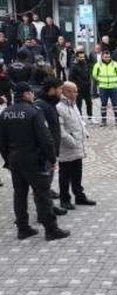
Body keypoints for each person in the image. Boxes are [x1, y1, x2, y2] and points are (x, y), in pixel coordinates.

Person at [0, 82, 70, 241]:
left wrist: (8, 159)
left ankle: (23, 228)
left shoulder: (5, 113)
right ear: (26, 94)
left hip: (15, 159)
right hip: (33, 159)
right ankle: (51, 229)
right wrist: (52, 159)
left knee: (19, 194)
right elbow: (45, 139)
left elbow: (1, 141)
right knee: (42, 194)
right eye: (31, 93)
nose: (33, 95)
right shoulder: (34, 112)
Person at [56, 81, 95, 211]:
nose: (76, 93)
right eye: (73, 91)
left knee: (77, 173)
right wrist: (72, 142)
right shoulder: (59, 107)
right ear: (65, 92)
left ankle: (79, 195)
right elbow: (61, 131)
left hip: (78, 145)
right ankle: (65, 199)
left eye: (76, 91)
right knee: (65, 175)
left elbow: (79, 121)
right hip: (67, 148)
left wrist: (85, 133)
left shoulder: (73, 104)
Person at [34, 77, 68, 217]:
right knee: (43, 184)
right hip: (44, 152)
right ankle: (45, 211)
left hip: (52, 148)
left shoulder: (50, 103)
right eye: (60, 89)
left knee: (47, 183)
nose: (61, 92)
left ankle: (48, 207)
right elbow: (42, 132)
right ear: (52, 89)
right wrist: (49, 152)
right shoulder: (41, 106)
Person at [92, 51, 117, 127]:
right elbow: (94, 74)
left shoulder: (114, 64)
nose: (107, 58)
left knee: (115, 104)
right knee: (103, 105)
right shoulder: (98, 64)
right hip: (103, 87)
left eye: (108, 57)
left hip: (113, 87)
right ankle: (103, 120)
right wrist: (100, 80)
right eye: (105, 57)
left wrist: (115, 79)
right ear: (102, 57)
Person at [69, 50, 93, 122]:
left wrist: (89, 84)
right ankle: (80, 118)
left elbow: (88, 76)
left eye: (83, 57)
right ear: (76, 57)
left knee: (89, 102)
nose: (82, 58)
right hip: (78, 88)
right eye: (80, 57)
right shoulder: (73, 66)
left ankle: (90, 117)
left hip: (86, 88)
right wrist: (75, 87)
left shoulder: (86, 64)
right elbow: (71, 78)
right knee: (79, 104)